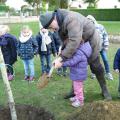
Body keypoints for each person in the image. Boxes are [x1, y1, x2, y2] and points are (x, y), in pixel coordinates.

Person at [39, 9, 112, 100]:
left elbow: (74, 41)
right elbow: (66, 39)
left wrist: (62, 57)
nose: (52, 29)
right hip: (78, 42)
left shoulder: (71, 19)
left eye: (50, 26)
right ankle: (74, 91)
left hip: (90, 41)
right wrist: (62, 49)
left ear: (54, 19)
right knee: (75, 66)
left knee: (96, 66)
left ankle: (104, 90)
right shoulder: (59, 22)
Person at [56, 41, 92, 107]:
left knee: (78, 88)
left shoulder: (79, 53)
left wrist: (62, 64)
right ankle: (77, 97)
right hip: (77, 73)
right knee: (77, 88)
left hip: (78, 74)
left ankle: (80, 101)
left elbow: (72, 62)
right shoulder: (79, 51)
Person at [87, 15, 113, 80]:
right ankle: (94, 73)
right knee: (94, 61)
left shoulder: (100, 27)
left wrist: (106, 46)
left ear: (93, 20)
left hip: (102, 48)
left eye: (90, 21)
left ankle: (108, 73)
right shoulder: (87, 28)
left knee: (105, 60)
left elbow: (105, 36)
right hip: (94, 49)